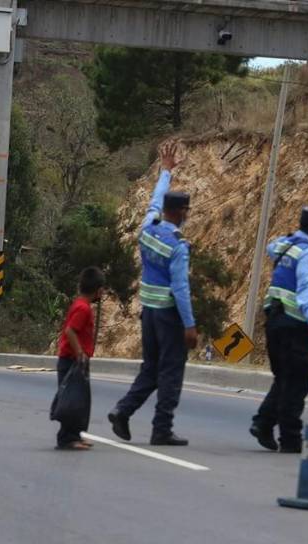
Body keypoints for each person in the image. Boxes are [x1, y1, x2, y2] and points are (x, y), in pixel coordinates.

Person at [108, 142, 197, 446]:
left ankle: (123, 409)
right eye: (186, 210)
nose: (187, 214)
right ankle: (162, 429)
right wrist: (189, 324)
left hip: (148, 311)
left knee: (151, 368)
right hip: (170, 317)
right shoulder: (177, 245)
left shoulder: (148, 229)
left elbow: (154, 202)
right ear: (181, 212)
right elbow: (181, 288)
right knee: (171, 372)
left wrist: (166, 172)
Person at [250, 207, 308, 453]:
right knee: (297, 381)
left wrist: (290, 235)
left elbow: (271, 246)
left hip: (274, 320)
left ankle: (263, 423)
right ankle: (291, 439)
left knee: (285, 377)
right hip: (295, 325)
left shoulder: (287, 246)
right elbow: (305, 291)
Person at [53, 266, 106, 451]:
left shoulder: (80, 305)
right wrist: (80, 354)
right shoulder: (83, 308)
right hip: (71, 361)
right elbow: (70, 331)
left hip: (73, 361)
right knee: (71, 401)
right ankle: (66, 438)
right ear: (99, 290)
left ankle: (74, 435)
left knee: (77, 400)